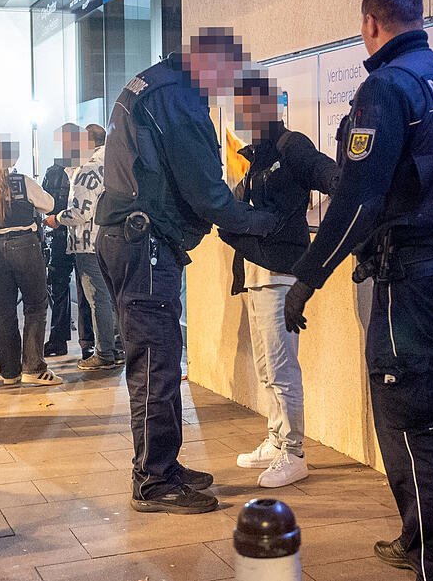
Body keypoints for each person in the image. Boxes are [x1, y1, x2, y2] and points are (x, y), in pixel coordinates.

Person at [282, 0, 433, 581]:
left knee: (411, 421)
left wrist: (307, 279)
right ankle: (418, 537)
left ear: (370, 24)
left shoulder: (386, 87)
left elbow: (358, 200)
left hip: (415, 278)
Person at [96, 27, 281, 514]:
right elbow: (204, 189)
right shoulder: (178, 98)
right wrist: (262, 221)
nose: (225, 87)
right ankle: (154, 480)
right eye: (225, 75)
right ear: (207, 63)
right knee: (156, 362)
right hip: (145, 244)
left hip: (135, 239)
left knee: (161, 358)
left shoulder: (155, 84)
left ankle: (165, 464)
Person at [218, 71, 339, 488]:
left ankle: (293, 451)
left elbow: (328, 174)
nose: (243, 116)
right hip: (256, 275)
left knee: (282, 367)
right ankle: (276, 439)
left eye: (249, 107)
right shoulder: (259, 157)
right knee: (267, 366)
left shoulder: (290, 146)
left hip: (280, 276)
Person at [0, 134, 63, 386]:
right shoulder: (24, 182)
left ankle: (9, 373)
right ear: (13, 158)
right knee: (35, 307)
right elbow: (49, 204)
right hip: (26, 247)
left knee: (3, 311)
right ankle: (33, 366)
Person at [43, 123, 122, 371]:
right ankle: (117, 348)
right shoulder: (112, 163)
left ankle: (104, 353)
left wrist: (56, 219)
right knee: (109, 298)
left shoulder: (87, 170)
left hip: (88, 243)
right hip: (111, 240)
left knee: (97, 299)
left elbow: (79, 213)